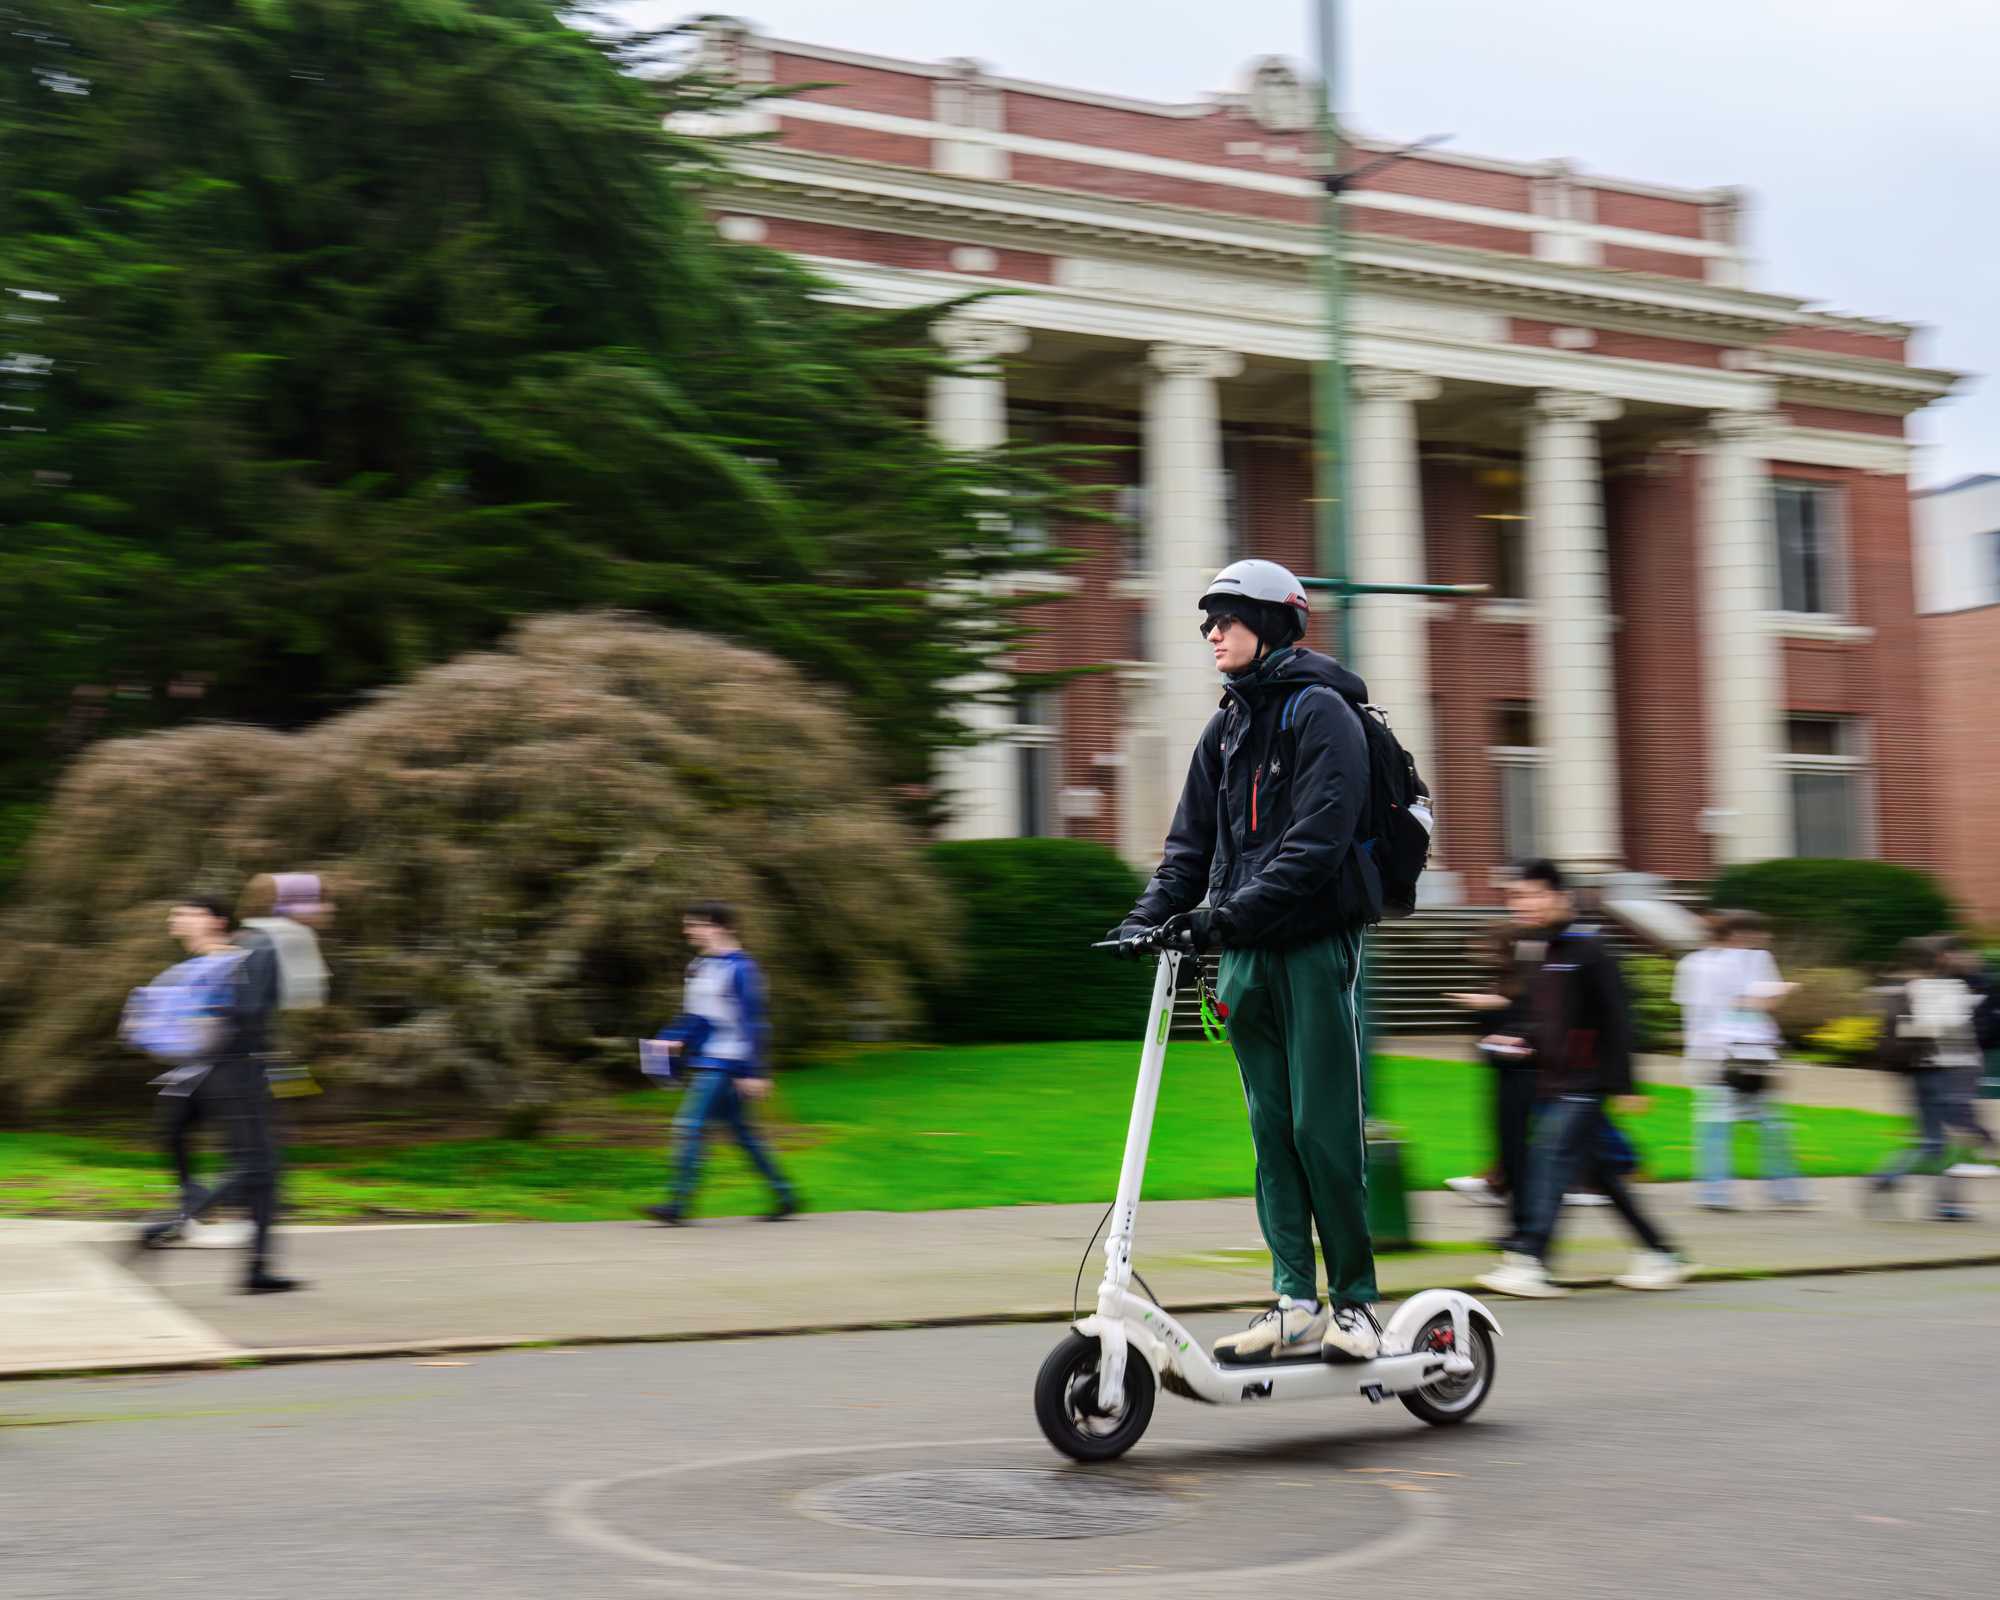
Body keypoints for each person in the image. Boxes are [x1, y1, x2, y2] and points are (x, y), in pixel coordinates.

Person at [1110, 558, 1384, 1363]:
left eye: (1225, 618)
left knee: (1321, 1127)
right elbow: (1188, 847)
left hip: (1308, 943)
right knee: (1271, 1130)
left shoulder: (1322, 713)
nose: (1211, 633)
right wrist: (1144, 919)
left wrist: (1222, 918)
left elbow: (1316, 845)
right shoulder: (1225, 728)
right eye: (1206, 622)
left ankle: (1358, 1304)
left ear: (1272, 624)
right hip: (1245, 955)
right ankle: (1295, 1299)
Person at [1476, 860, 1690, 1298]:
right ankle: (1661, 1253)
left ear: (1560, 897)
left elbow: (1618, 1020)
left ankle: (1531, 1260)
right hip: (1550, 1080)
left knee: (1549, 1163)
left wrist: (1626, 1084)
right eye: (1516, 896)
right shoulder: (1535, 950)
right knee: (1601, 1174)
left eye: (1532, 894)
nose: (1523, 904)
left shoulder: (1590, 950)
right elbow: (1542, 1016)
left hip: (1585, 1082)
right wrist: (1516, 1039)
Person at [136, 892, 300, 1293]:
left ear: (215, 920)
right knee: (257, 1168)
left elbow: (252, 1014)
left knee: (261, 1171)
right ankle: (180, 1222)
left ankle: (254, 1268)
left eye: (184, 914)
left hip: (215, 1073)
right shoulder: (201, 968)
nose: (175, 923)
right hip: (223, 1074)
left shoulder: (242, 959)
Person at [642, 901, 798, 1226]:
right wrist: (672, 1038)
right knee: (742, 1133)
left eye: (696, 923)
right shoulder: (700, 966)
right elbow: (696, 1016)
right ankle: (785, 1194)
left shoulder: (742, 969)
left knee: (689, 1125)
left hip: (728, 1059)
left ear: (720, 927)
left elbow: (753, 1022)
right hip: (709, 1055)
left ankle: (678, 1203)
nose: (689, 930)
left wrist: (754, 1072)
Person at [1675, 910, 1807, 1211]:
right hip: (1748, 1052)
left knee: (1713, 1126)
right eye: (1759, 933)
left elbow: (1691, 1011)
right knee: (1771, 1123)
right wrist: (1786, 990)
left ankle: (1713, 1192)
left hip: (1704, 1053)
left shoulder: (1690, 963)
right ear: (1741, 935)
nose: (1765, 938)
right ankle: (1785, 1189)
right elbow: (1761, 1003)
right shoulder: (1754, 959)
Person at [1869, 937, 1980, 1220]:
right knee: (1949, 1139)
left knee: (1935, 1140)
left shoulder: (1903, 986)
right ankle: (1894, 1182)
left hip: (1919, 1072)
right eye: (1956, 953)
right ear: (1941, 959)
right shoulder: (1939, 987)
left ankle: (1941, 1202)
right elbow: (1951, 1036)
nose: (1963, 957)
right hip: (1940, 1071)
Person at [1936, 936, 1999, 1178]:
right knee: (1955, 1105)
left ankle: (1980, 1147)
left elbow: (1987, 1022)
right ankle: (1978, 1146)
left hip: (1968, 1053)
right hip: (1951, 1052)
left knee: (1958, 1104)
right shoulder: (1947, 982)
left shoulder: (1983, 985)